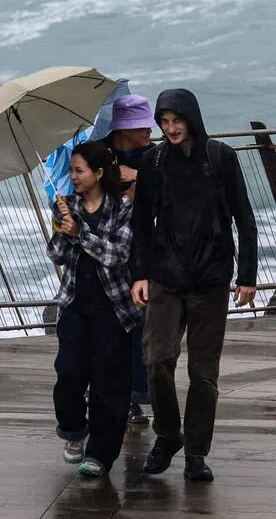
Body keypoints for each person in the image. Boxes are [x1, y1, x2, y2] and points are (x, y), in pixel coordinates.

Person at [131, 89, 258, 483]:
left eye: (176, 121)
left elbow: (245, 217)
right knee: (157, 361)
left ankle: (196, 454)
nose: (170, 129)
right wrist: (139, 273)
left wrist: (247, 277)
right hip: (166, 277)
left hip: (211, 281)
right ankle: (169, 436)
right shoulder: (153, 161)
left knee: (204, 374)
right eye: (164, 122)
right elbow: (140, 222)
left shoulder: (221, 158)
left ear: (191, 118)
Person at [48, 140, 140, 479]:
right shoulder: (65, 206)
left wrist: (81, 232)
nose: (72, 176)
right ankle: (73, 431)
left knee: (109, 383)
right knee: (69, 373)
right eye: (70, 170)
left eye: (79, 170)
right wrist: (62, 227)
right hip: (74, 303)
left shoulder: (122, 208)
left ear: (99, 173)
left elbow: (118, 255)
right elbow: (56, 254)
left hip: (113, 307)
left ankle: (101, 454)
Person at [103, 94, 156, 426]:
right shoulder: (100, 156)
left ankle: (138, 396)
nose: (151, 129)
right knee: (113, 327)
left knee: (142, 324)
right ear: (124, 128)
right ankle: (119, 396)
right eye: (143, 124)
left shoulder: (153, 155)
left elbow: (159, 193)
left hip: (144, 247)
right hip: (110, 249)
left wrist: (136, 181)